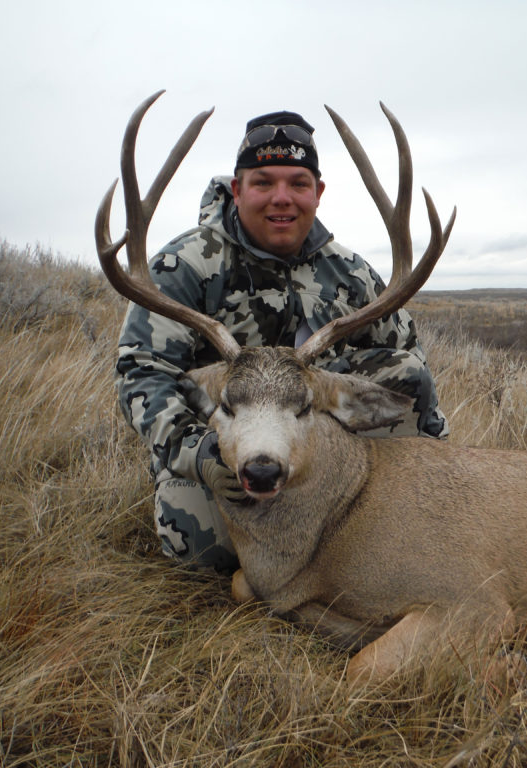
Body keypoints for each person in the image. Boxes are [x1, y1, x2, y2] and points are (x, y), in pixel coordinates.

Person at [115, 109, 448, 572]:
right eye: (263, 182)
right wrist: (202, 454)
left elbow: (411, 368)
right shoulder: (183, 266)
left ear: (318, 192)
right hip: (223, 447)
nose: (282, 199)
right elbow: (142, 374)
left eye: (298, 183)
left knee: (405, 374)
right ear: (237, 189)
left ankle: (385, 520)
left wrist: (446, 473)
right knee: (201, 548)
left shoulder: (351, 274)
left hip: (320, 443)